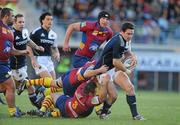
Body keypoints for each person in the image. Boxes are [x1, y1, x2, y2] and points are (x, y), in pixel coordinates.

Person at [94, 22, 145, 120]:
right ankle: (94, 103)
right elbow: (116, 62)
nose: (130, 36)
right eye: (128, 34)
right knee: (113, 96)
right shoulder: (118, 41)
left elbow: (127, 52)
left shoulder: (126, 40)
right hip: (104, 70)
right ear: (122, 32)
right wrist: (127, 70)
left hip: (115, 69)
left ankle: (136, 115)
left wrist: (134, 56)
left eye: (132, 34)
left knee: (130, 88)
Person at [29, 74, 113, 118]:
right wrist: (103, 83)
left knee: (52, 95)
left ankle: (42, 111)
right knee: (57, 98)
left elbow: (90, 81)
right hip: (77, 112)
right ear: (92, 93)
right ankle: (51, 113)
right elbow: (101, 98)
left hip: (68, 105)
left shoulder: (81, 87)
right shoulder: (89, 101)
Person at [0, 7, 29, 117]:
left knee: (4, 88)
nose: (13, 17)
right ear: (6, 16)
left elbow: (11, 50)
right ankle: (13, 112)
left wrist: (23, 52)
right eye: (12, 16)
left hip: (5, 63)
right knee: (11, 86)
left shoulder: (10, 31)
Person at [30, 12, 60, 80]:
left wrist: (57, 53)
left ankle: (40, 89)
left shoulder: (54, 34)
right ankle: (30, 84)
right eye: (48, 19)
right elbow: (28, 46)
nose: (50, 21)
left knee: (53, 84)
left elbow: (54, 47)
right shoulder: (36, 32)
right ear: (42, 20)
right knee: (49, 81)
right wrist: (32, 59)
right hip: (39, 59)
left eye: (51, 19)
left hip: (49, 60)